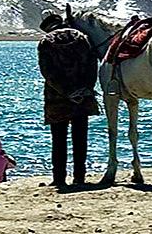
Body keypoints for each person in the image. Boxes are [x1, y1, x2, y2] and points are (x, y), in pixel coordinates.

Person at [37, 17, 100, 188]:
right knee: (80, 138)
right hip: (83, 96)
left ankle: (59, 178)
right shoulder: (82, 38)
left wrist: (67, 92)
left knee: (58, 140)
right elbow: (92, 65)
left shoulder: (45, 42)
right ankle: (79, 177)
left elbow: (48, 73)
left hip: (57, 99)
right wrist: (85, 89)